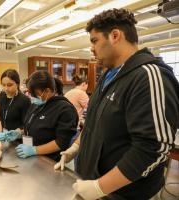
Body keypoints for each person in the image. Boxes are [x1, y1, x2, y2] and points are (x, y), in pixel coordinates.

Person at [54, 8, 179, 199]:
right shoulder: (108, 76)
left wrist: (100, 187)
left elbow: (151, 149)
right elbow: (93, 123)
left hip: (126, 194)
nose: (91, 48)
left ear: (114, 35)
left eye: (95, 41)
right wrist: (77, 146)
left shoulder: (148, 75)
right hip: (97, 185)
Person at [15, 70, 78, 162]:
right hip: (33, 158)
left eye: (34, 94)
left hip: (51, 161)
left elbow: (61, 142)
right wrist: (18, 133)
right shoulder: (36, 105)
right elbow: (33, 126)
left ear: (47, 91)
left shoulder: (65, 109)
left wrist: (34, 150)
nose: (32, 97)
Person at [0, 69, 31, 142]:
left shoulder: (24, 100)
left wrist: (16, 133)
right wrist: (0, 132)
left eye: (9, 85)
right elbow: (1, 117)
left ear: (17, 84)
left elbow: (27, 124)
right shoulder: (2, 95)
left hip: (19, 140)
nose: (6, 89)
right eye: (3, 85)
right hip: (5, 138)